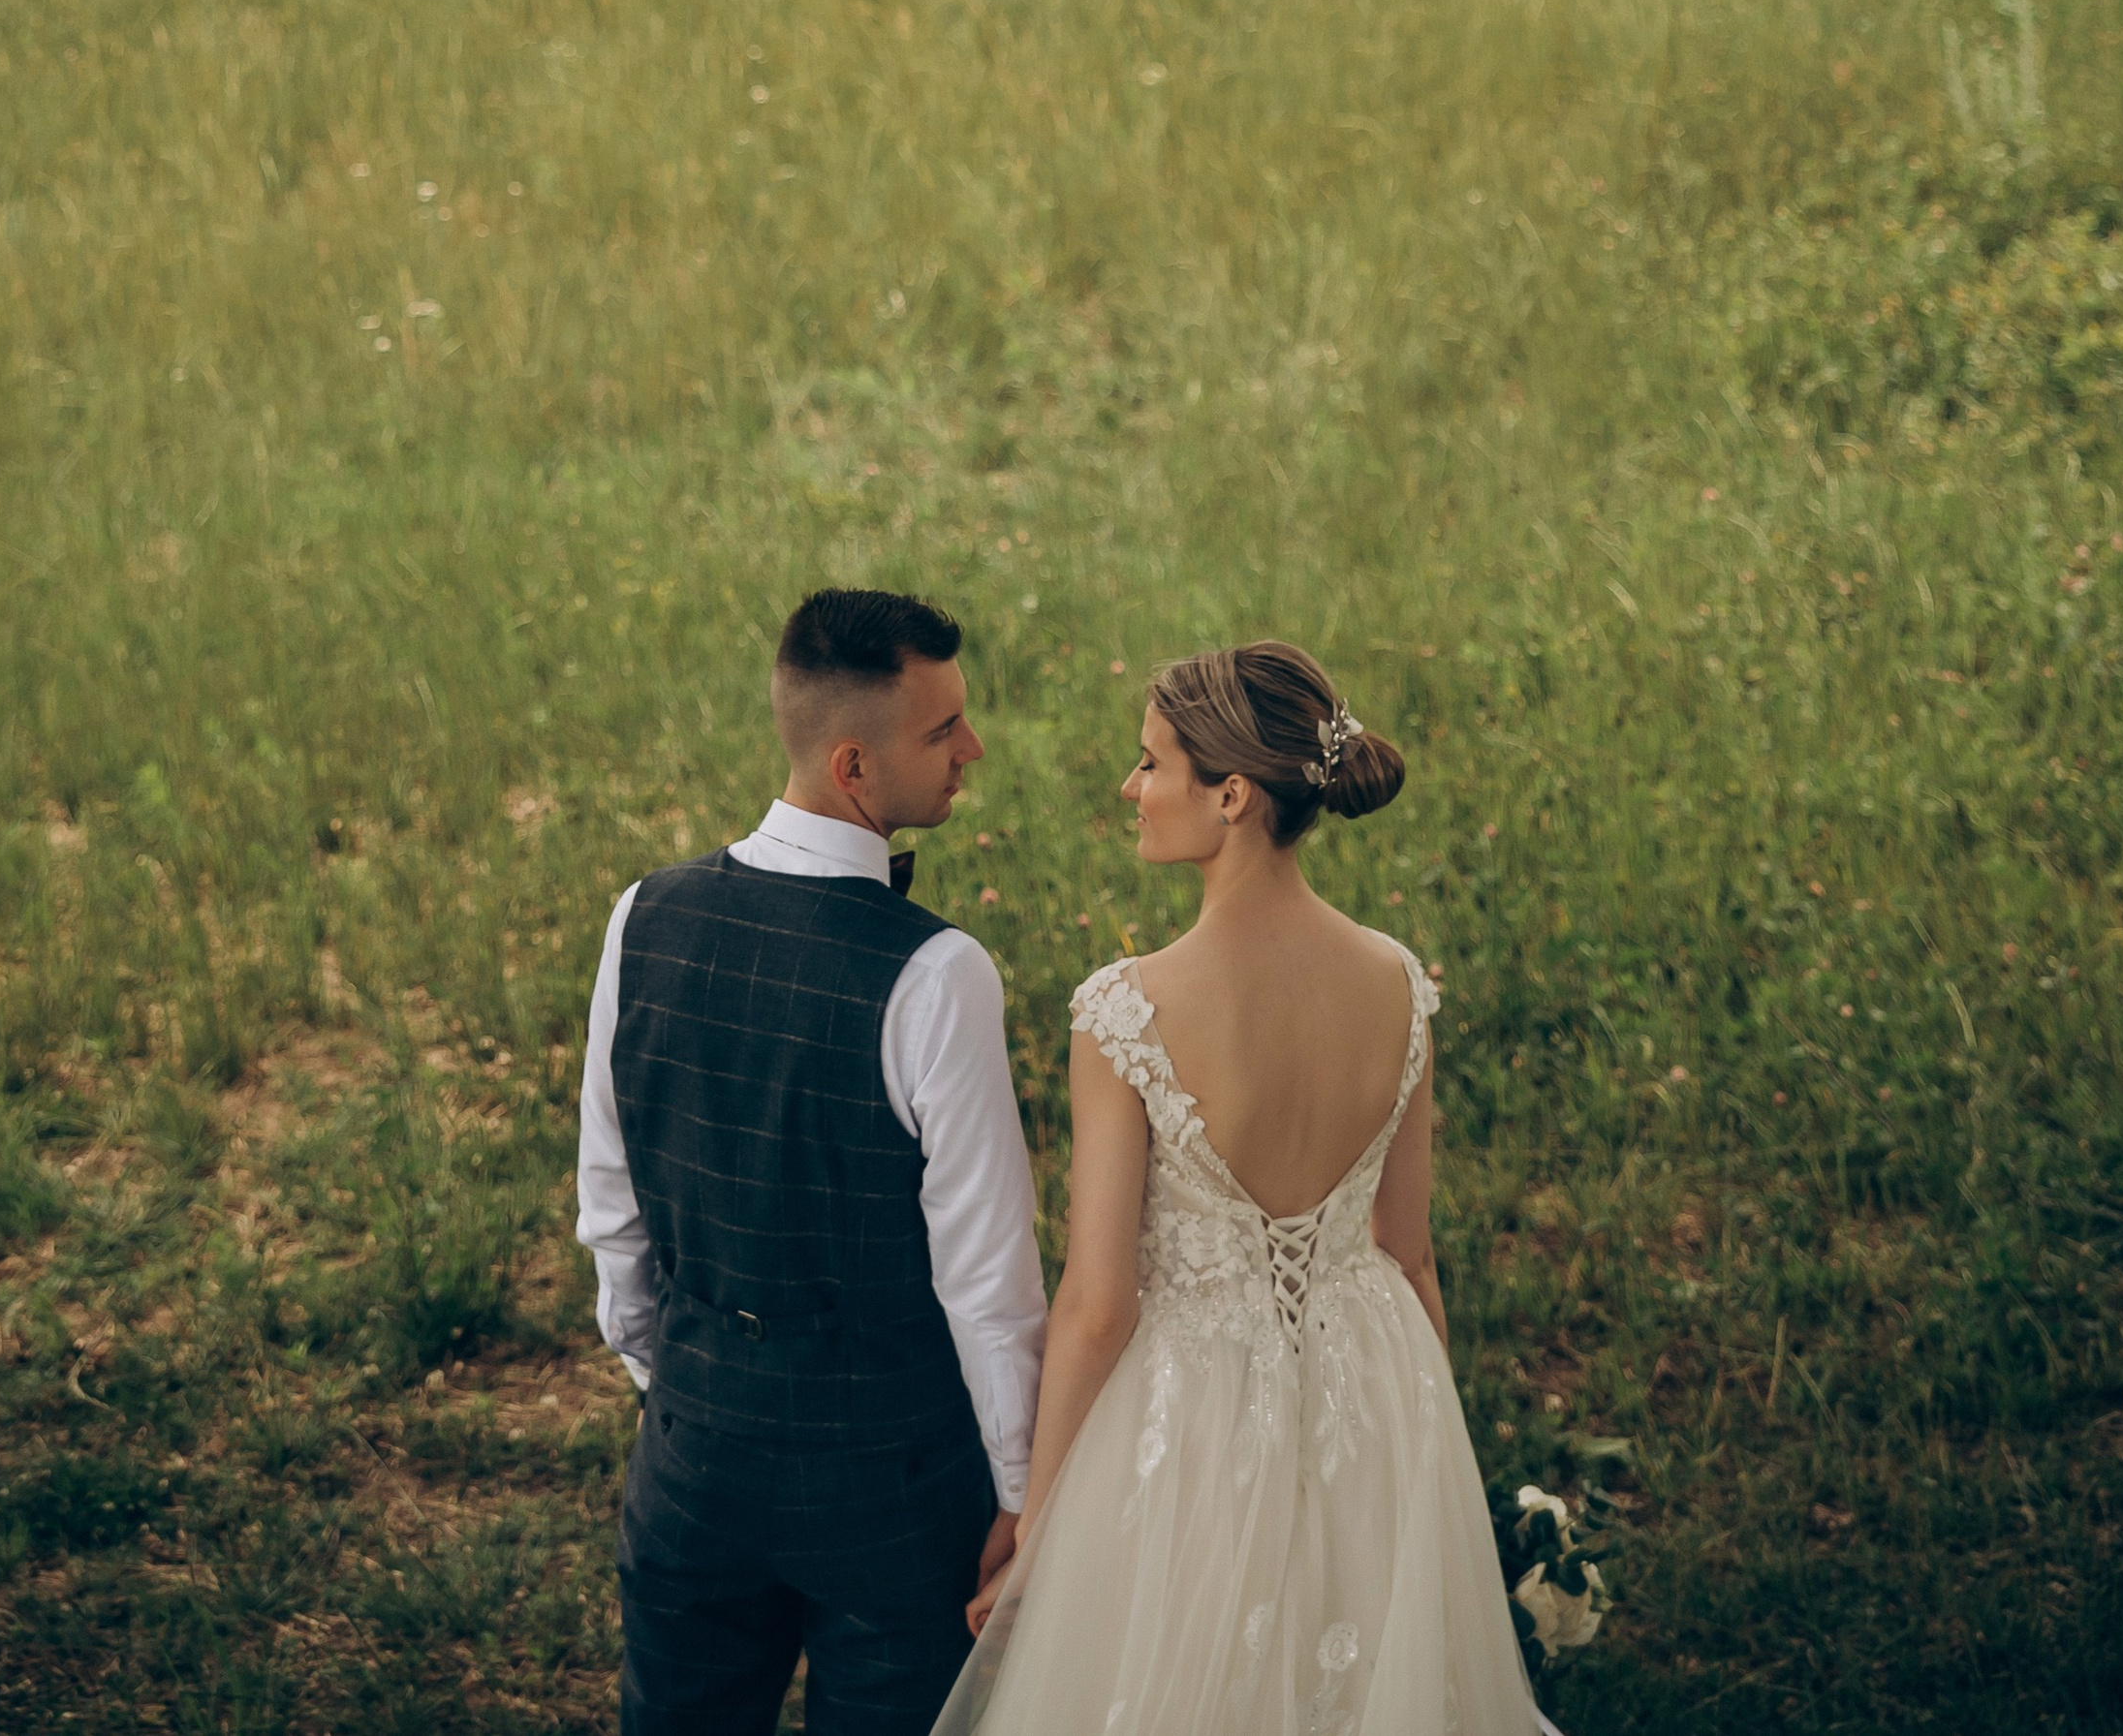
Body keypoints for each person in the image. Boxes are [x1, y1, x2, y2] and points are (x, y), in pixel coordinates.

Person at [932, 640, 1546, 1736]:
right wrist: (1425, 1466)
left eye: (1149, 763)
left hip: (1193, 1419)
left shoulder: (1128, 1008)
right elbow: (1406, 1254)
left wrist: (1038, 1528)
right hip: (1371, 1388)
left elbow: (1100, 1302)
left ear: (1230, 795)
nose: (1131, 788)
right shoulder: (1397, 980)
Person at [577, 585, 1046, 1736]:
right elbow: (988, 1286)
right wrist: (1024, 1495)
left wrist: (680, 1389)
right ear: (853, 764)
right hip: (893, 1495)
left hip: (691, 1461)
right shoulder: (939, 973)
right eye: (942, 730)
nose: (971, 749)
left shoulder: (642, 914)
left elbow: (613, 1214)